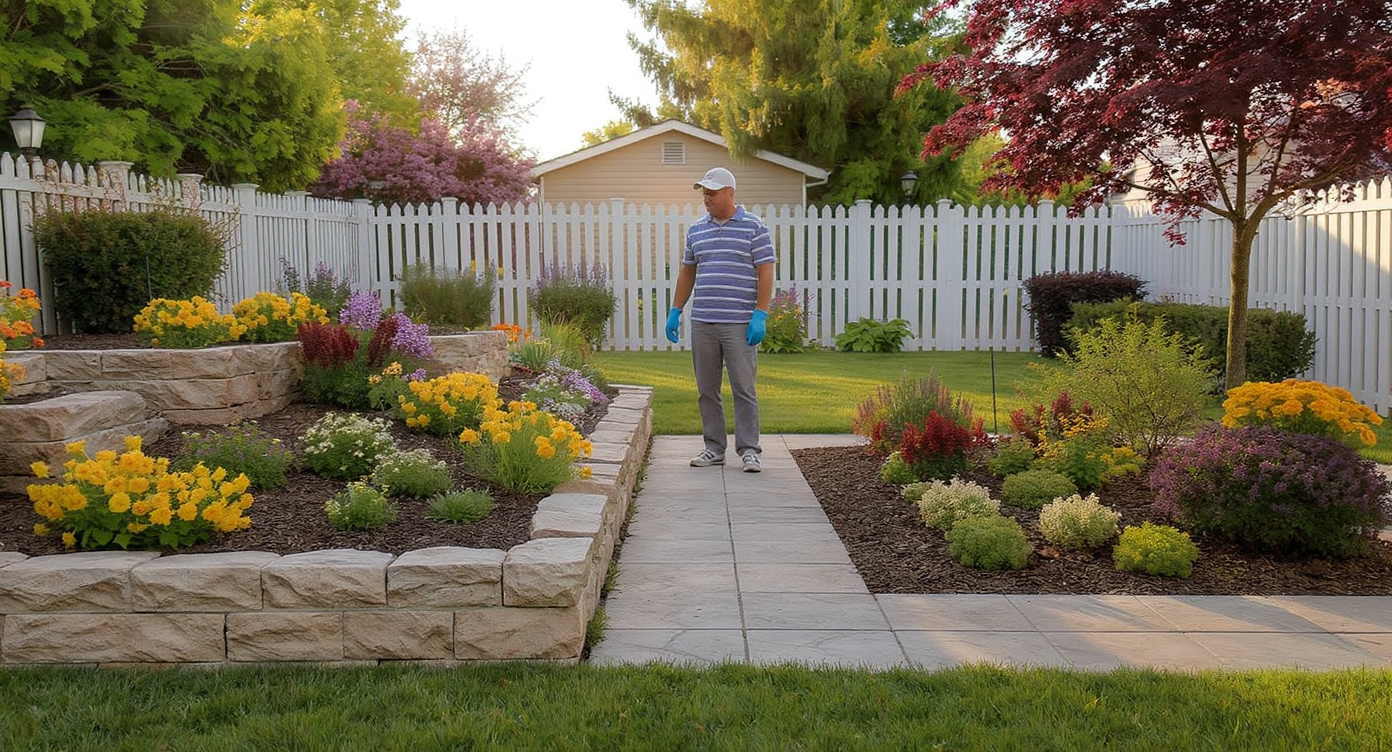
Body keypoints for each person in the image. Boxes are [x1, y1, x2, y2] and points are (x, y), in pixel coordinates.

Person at [665, 166, 774, 473]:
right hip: (703, 321)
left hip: (739, 323)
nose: (707, 200)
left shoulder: (754, 227)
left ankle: (750, 450)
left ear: (730, 193)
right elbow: (688, 272)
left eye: (712, 194)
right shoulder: (697, 229)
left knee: (743, 388)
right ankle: (714, 448)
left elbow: (765, 271)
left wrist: (760, 314)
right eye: (704, 194)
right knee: (707, 389)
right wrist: (676, 310)